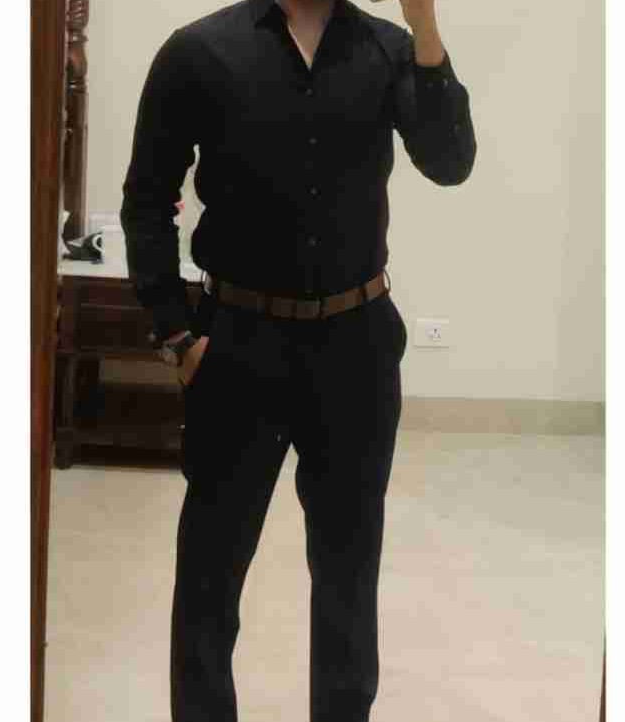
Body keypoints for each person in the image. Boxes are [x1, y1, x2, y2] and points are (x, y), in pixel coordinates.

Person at [120, 0, 475, 720]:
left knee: (348, 576)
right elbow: (146, 199)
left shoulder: (390, 49)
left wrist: (426, 26)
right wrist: (175, 333)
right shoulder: (198, 52)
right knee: (210, 573)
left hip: (356, 348)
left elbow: (450, 161)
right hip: (236, 346)